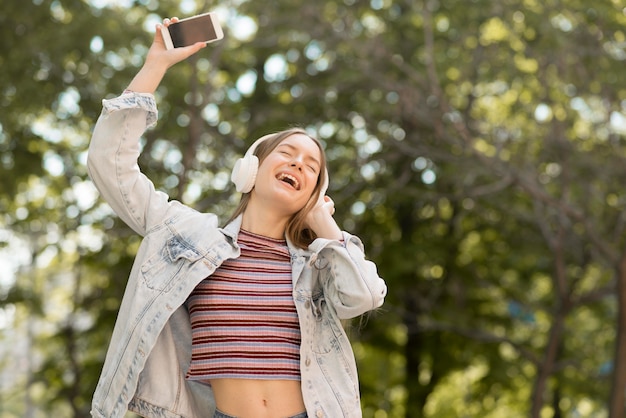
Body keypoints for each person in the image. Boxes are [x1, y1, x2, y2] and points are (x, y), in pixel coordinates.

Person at [87, 17, 387, 418]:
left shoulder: (316, 263)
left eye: (311, 166)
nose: (298, 164)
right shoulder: (186, 233)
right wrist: (155, 65)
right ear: (250, 170)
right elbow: (110, 165)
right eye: (287, 153)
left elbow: (363, 296)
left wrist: (324, 225)